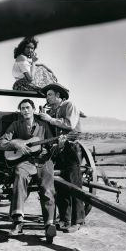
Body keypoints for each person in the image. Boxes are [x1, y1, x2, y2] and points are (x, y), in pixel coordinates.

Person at [0, 98, 57, 243]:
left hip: (43, 161)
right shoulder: (16, 125)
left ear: (33, 109)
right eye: (22, 108)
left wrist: (57, 144)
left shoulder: (43, 125)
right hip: (25, 162)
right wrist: (16, 144)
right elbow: (1, 143)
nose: (25, 110)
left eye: (27, 108)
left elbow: (52, 144)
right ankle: (18, 222)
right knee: (19, 175)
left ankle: (50, 225)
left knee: (48, 188)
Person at [39, 83, 85, 233]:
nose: (47, 97)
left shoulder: (69, 105)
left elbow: (70, 124)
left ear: (58, 95)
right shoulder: (54, 110)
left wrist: (49, 119)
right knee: (60, 185)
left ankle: (77, 221)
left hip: (71, 148)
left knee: (74, 183)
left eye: (50, 95)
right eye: (47, 95)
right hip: (59, 149)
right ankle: (64, 219)